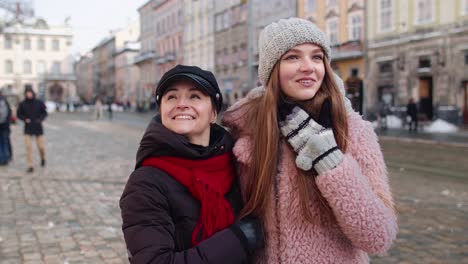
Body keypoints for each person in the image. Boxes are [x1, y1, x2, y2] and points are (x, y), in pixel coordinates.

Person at [222, 18, 397, 264]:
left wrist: (330, 162)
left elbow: (378, 237)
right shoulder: (246, 129)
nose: (308, 67)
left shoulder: (350, 129)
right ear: (272, 69)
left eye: (316, 57)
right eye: (293, 57)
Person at [119, 65, 264, 263]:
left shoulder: (239, 163)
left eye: (195, 96)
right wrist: (238, 239)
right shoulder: (145, 182)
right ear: (161, 110)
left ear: (214, 113)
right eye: (171, 97)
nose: (181, 104)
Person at [17, 87, 47, 173]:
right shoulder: (22, 104)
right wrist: (25, 119)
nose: (29, 94)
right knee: (28, 147)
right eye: (27, 93)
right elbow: (19, 114)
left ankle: (43, 158)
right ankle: (30, 165)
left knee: (41, 147)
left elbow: (44, 113)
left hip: (38, 127)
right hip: (28, 128)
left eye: (30, 93)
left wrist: (40, 119)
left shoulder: (39, 103)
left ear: (33, 93)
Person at [0, 89, 12, 165]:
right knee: (5, 142)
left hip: (3, 125)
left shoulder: (3, 102)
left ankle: (2, 159)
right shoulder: (5, 101)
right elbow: (9, 113)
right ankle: (6, 158)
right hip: (5, 125)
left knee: (2, 143)